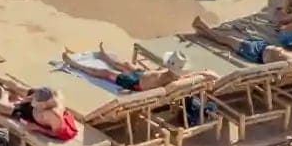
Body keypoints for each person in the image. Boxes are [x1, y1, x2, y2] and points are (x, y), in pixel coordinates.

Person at [62, 46, 215, 93]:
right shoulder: (171, 74)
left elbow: (183, 81)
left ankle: (76, 65)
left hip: (134, 83)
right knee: (127, 64)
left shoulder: (172, 79)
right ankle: (105, 58)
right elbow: (190, 76)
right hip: (141, 75)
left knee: (106, 74)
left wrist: (202, 75)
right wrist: (202, 73)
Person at [0, 78, 81, 140]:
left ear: (45, 103)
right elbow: (51, 93)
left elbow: (56, 133)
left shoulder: (54, 115)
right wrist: (26, 99)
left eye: (36, 102)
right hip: (36, 106)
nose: (33, 102)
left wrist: (38, 128)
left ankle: (5, 94)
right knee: (19, 88)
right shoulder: (48, 94)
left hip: (30, 115)